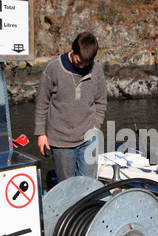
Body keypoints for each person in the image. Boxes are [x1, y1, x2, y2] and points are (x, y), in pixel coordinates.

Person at [34, 32, 107, 182]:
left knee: (90, 183)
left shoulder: (97, 69)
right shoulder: (53, 69)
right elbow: (42, 102)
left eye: (87, 63)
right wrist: (41, 133)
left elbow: (101, 101)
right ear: (72, 51)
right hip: (60, 141)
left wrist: (96, 125)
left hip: (89, 137)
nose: (83, 66)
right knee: (68, 185)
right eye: (80, 61)